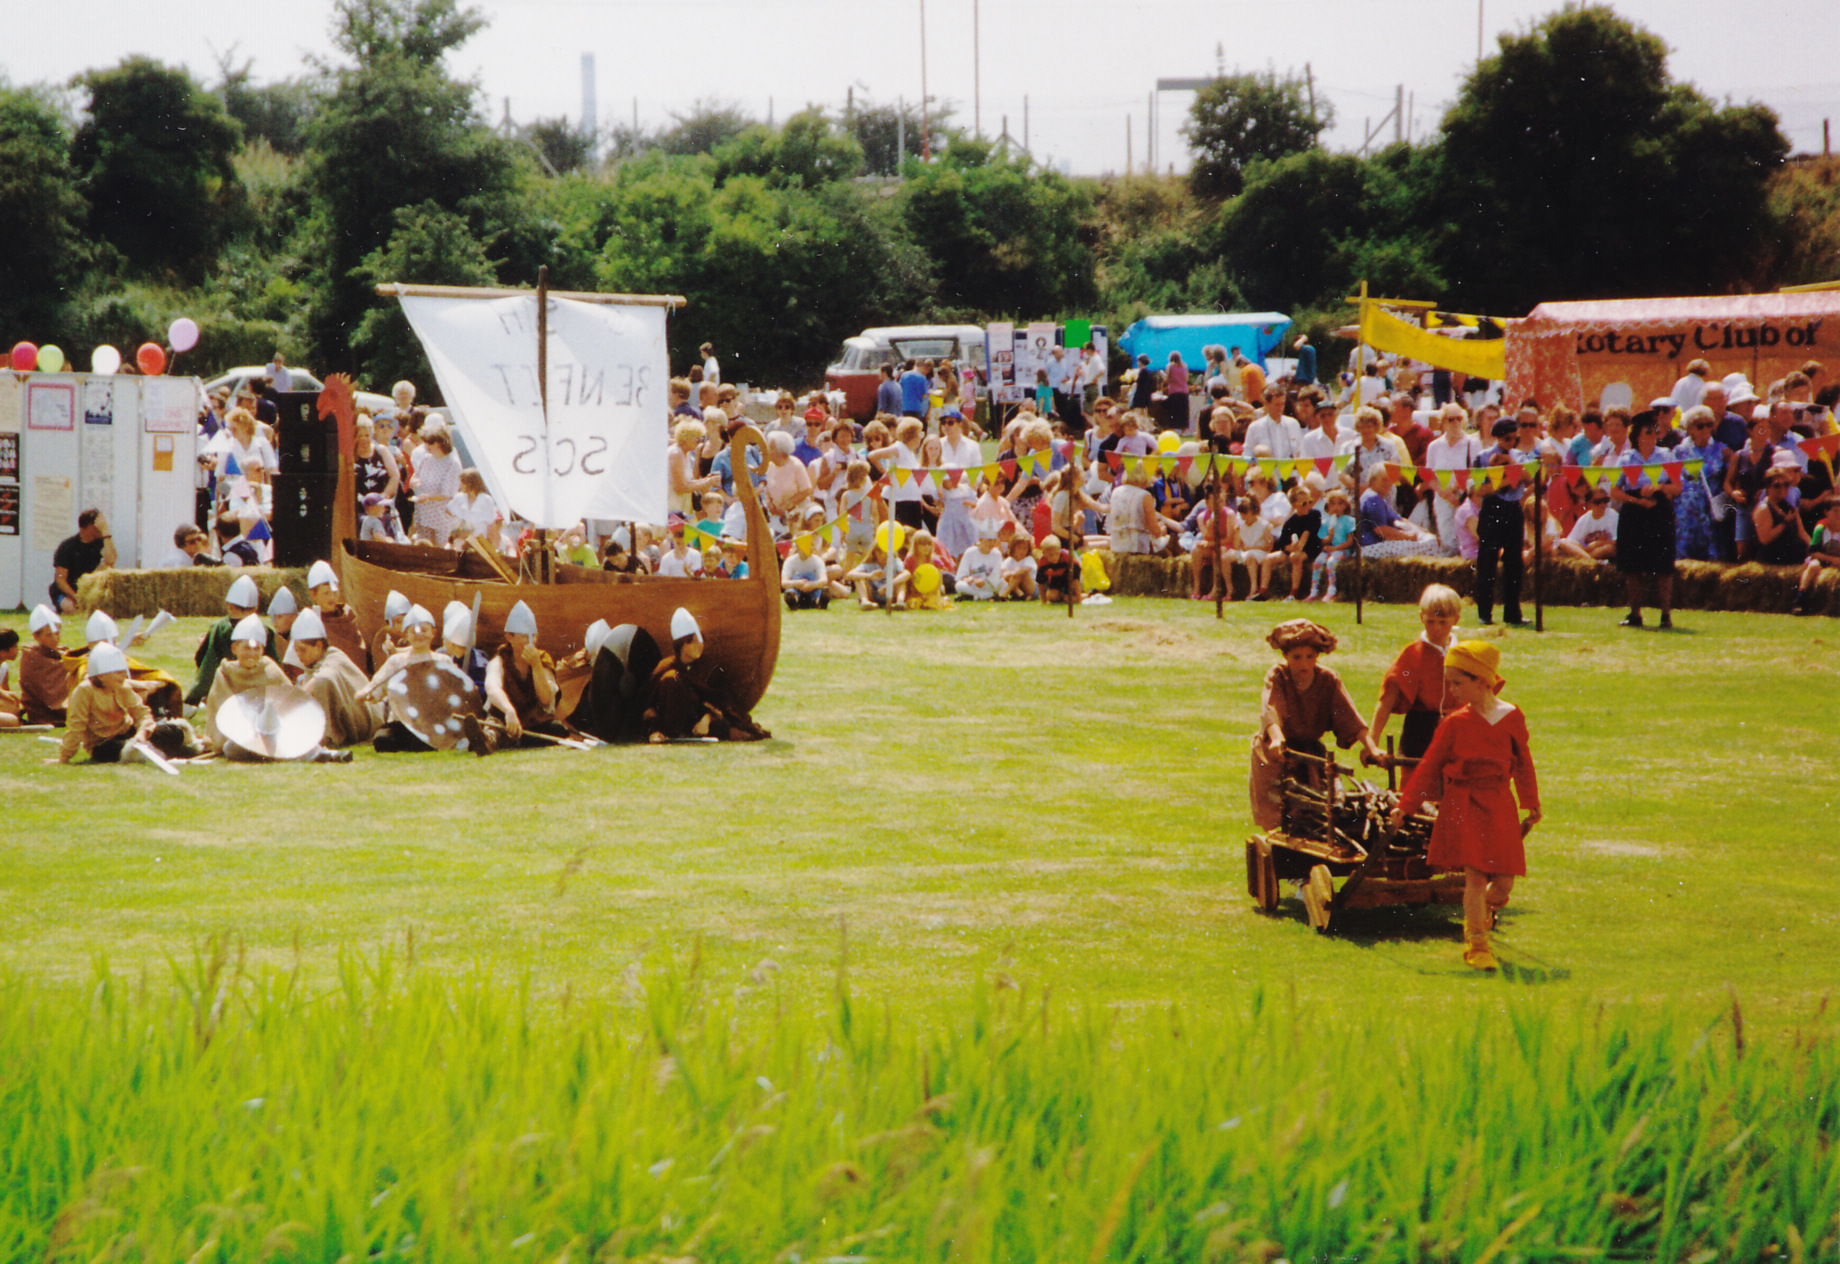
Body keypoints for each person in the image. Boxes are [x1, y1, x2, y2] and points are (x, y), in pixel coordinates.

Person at [1392, 641, 1540, 972]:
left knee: (1503, 882)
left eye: (1458, 682)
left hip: (1500, 801)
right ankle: (1477, 943)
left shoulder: (1512, 716)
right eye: (1449, 683)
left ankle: (1480, 913)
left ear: (1482, 681)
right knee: (1474, 877)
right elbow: (1429, 766)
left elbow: (1523, 762)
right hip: (1464, 803)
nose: (1452, 690)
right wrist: (1406, 805)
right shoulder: (1454, 723)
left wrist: (1530, 802)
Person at [1248, 620, 1382, 830]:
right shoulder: (1278, 676)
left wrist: (1371, 747)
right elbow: (1271, 708)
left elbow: (1349, 716)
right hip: (1277, 751)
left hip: (1310, 753)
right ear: (1285, 656)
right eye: (1297, 657)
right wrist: (1276, 737)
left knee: (1316, 808)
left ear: (1318, 656)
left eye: (1310, 657)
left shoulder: (1328, 679)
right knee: (1279, 809)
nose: (1303, 664)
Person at [642, 609, 769, 742]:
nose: (699, 645)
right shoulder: (666, 667)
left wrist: (707, 719)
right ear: (681, 645)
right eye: (692, 641)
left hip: (699, 723)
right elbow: (647, 706)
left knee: (722, 727)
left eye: (700, 640)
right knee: (671, 679)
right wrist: (654, 728)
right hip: (670, 723)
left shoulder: (709, 668)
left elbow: (722, 702)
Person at [1368, 584, 1461, 760]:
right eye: (1430, 622)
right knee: (1415, 784)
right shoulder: (1412, 655)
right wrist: (1372, 742)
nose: (1436, 628)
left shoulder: (1463, 654)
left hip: (1458, 728)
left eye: (1443, 622)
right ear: (1421, 618)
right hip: (1420, 731)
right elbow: (1388, 699)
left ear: (1455, 620)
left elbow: (1483, 696)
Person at [461, 600, 566, 755]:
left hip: (530, 723)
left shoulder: (542, 660)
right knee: (494, 728)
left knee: (557, 729)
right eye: (525, 636)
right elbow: (492, 688)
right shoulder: (499, 661)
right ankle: (486, 741)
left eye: (534, 636)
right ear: (509, 637)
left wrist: (536, 665)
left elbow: (545, 699)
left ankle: (511, 740)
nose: (532, 641)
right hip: (504, 719)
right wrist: (509, 711)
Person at [1609, 412, 1682, 629]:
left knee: (1663, 565)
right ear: (1638, 435)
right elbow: (1615, 491)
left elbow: (1677, 487)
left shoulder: (1666, 456)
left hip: (1659, 508)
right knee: (1632, 565)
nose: (1654, 435)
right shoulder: (1626, 458)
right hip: (1634, 510)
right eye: (1649, 431)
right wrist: (1637, 501)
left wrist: (1659, 487)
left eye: (1655, 430)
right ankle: (1635, 613)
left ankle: (1666, 615)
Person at [359, 604, 446, 753]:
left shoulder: (443, 661)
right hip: (401, 722)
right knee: (382, 739)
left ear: (434, 633)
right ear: (406, 635)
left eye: (424, 630)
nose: (419, 635)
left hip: (430, 722)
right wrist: (372, 694)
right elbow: (380, 683)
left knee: (431, 739)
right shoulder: (396, 661)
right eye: (413, 631)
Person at [290, 608, 383, 747]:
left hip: (367, 722)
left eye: (302, 649)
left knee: (323, 682)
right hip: (350, 719)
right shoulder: (312, 664)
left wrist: (296, 698)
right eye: (296, 650)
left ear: (319, 646)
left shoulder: (335, 657)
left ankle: (329, 738)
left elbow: (322, 678)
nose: (298, 655)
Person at [187, 575, 277, 706]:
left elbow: (206, 665)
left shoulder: (219, 629)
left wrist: (192, 699)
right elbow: (275, 666)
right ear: (255, 608)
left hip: (228, 693)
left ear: (229, 605)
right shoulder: (264, 630)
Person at [51, 509, 115, 614]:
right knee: (74, 609)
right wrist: (77, 597)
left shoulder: (100, 543)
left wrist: (106, 533)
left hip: (89, 591)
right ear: (90, 527)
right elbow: (60, 580)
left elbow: (111, 561)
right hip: (68, 592)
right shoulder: (68, 546)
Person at [1753, 454, 1811, 568]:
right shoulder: (1763, 509)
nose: (1782, 489)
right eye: (1777, 485)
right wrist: (1784, 523)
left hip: (1793, 561)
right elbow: (1765, 539)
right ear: (1768, 487)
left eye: (1786, 485)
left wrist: (1814, 547)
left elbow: (1801, 533)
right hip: (1772, 564)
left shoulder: (1789, 507)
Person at [409, 425, 462, 546]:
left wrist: (428, 497)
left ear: (439, 443)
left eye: (430, 443)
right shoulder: (427, 459)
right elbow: (415, 477)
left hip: (441, 517)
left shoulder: (452, 464)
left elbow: (448, 494)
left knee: (441, 550)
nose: (426, 446)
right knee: (423, 548)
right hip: (423, 514)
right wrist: (414, 482)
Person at [1272, 484, 1323, 602]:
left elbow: (1307, 534)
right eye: (1304, 504)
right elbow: (1283, 544)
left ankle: (1293, 592)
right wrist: (1291, 547)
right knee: (1268, 560)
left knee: (1295, 557)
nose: (1308, 506)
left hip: (1312, 546)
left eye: (1310, 502)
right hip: (1297, 548)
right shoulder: (1290, 522)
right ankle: (1262, 591)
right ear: (1294, 505)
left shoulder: (1315, 514)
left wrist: (1297, 548)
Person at [1307, 489, 1356, 602]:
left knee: (1331, 562)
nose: (1336, 507)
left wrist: (1334, 548)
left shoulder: (1349, 521)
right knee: (1317, 562)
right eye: (1332, 503)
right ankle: (1313, 591)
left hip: (1342, 550)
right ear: (1327, 506)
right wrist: (1329, 537)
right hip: (1330, 550)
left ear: (1345, 506)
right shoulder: (1326, 522)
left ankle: (1331, 590)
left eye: (1340, 503)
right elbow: (1322, 541)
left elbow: (1349, 542)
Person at [1796, 499, 1840, 615]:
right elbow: (1813, 552)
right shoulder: (1820, 529)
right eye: (1835, 511)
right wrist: (1832, 560)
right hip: (1821, 559)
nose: (1839, 515)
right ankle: (1801, 599)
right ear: (1827, 512)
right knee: (1813, 566)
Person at [1558, 489, 1618, 562]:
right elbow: (1572, 540)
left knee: (1608, 548)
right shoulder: (1584, 519)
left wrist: (1597, 544)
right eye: (1598, 502)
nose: (1602, 504)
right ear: (1589, 504)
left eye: (1605, 500)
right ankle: (1590, 560)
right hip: (1587, 550)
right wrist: (1586, 548)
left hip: (1602, 549)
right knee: (1563, 542)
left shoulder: (1613, 515)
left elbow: (1617, 541)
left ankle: (1587, 560)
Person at [955, 521, 1005, 600]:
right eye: (989, 540)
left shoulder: (997, 554)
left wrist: (984, 582)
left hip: (990, 585)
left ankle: (975, 597)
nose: (992, 543)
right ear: (980, 539)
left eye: (994, 540)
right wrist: (970, 579)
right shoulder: (970, 552)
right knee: (959, 585)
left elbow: (996, 577)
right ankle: (985, 596)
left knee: (1003, 584)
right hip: (974, 586)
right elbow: (961, 575)